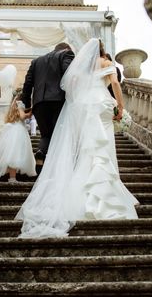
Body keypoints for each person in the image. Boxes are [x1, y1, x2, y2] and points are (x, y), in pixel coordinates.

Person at [16, 38, 138, 238]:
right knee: (101, 148)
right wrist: (120, 105)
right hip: (97, 105)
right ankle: (102, 194)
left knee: (78, 145)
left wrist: (27, 104)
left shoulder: (77, 68)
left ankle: (49, 158)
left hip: (69, 106)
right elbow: (115, 82)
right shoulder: (104, 63)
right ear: (102, 51)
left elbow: (68, 84)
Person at [21, 42, 75, 173]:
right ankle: (57, 169)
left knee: (46, 135)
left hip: (39, 103)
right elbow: (69, 76)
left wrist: (27, 105)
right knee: (59, 135)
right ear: (66, 49)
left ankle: (41, 152)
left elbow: (27, 84)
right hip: (58, 101)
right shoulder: (67, 54)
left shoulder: (36, 61)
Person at [0, 90, 37, 182]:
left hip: (13, 130)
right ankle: (12, 178)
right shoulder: (20, 104)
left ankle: (9, 175)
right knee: (14, 155)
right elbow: (22, 116)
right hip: (18, 132)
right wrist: (30, 113)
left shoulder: (14, 107)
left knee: (12, 154)